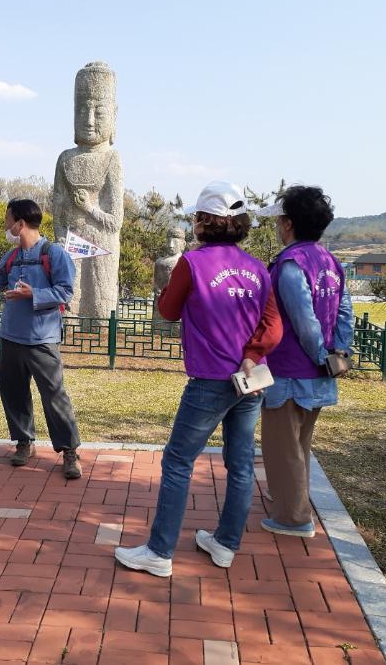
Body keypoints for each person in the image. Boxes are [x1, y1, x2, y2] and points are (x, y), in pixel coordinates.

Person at [114, 181, 282, 577]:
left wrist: (164, 292)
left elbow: (168, 311)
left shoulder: (192, 263)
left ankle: (159, 552)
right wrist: (251, 355)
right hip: (249, 379)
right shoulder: (258, 268)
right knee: (240, 463)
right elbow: (274, 326)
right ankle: (226, 544)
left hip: (209, 379)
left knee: (178, 461)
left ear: (205, 221)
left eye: (197, 217)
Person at [255, 186, 354, 537]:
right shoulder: (330, 261)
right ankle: (288, 497)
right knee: (298, 443)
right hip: (320, 374)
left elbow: (304, 320)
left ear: (288, 223)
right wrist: (339, 352)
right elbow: (345, 310)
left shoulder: (290, 264)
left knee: (283, 447)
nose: (277, 226)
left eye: (279, 220)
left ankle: (292, 518)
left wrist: (319, 355)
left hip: (291, 372)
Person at [0, 198, 82, 479]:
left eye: (8, 220)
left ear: (20, 223)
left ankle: (69, 452)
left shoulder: (54, 254)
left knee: (54, 396)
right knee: (13, 392)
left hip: (42, 339)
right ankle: (24, 442)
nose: (6, 225)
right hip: (11, 337)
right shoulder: (11, 256)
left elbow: (66, 291)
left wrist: (34, 294)